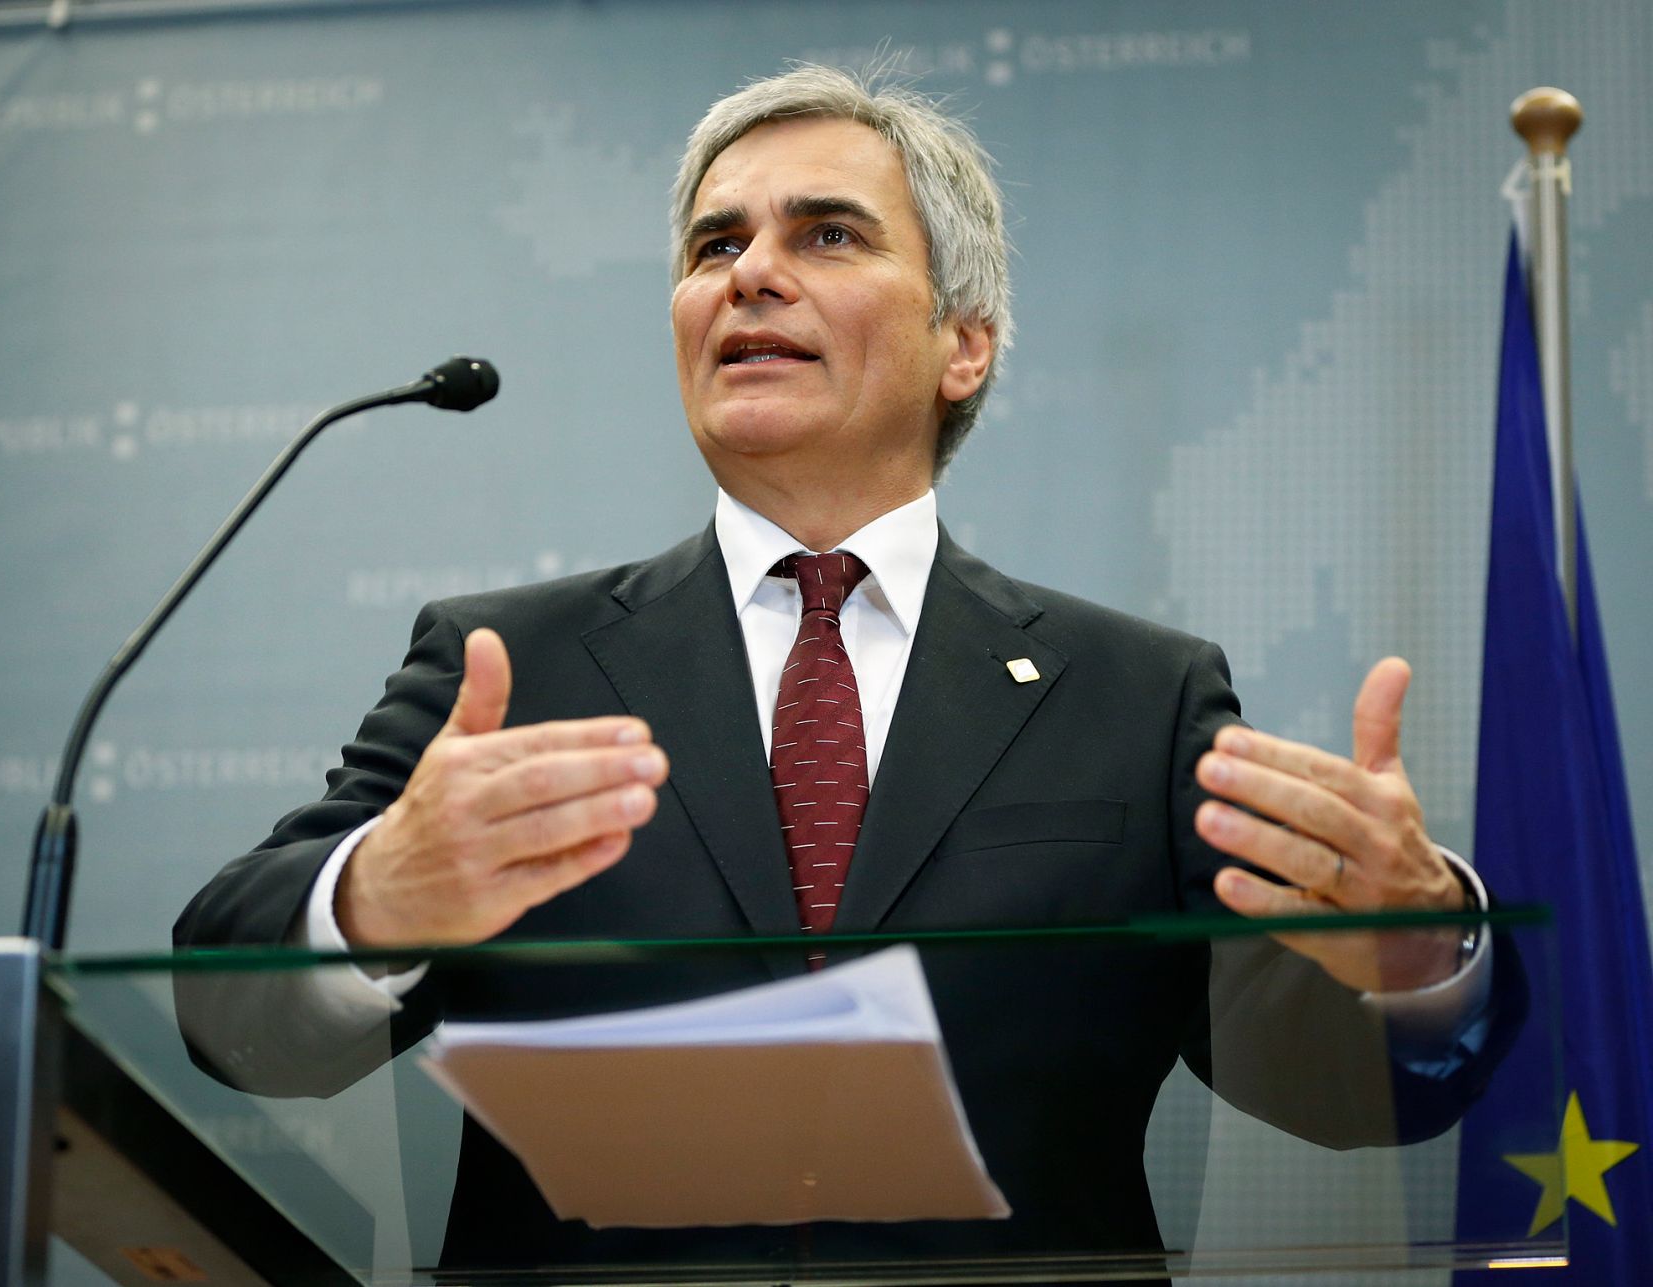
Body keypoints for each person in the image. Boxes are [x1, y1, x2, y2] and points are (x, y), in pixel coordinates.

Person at [177, 65, 1514, 1274]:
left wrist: (1414, 948)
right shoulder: (504, 667)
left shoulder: (1139, 698)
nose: (749, 274)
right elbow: (222, 1010)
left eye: (826, 234)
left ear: (963, 341)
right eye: (716, 244)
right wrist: (376, 896)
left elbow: (1333, 1084)